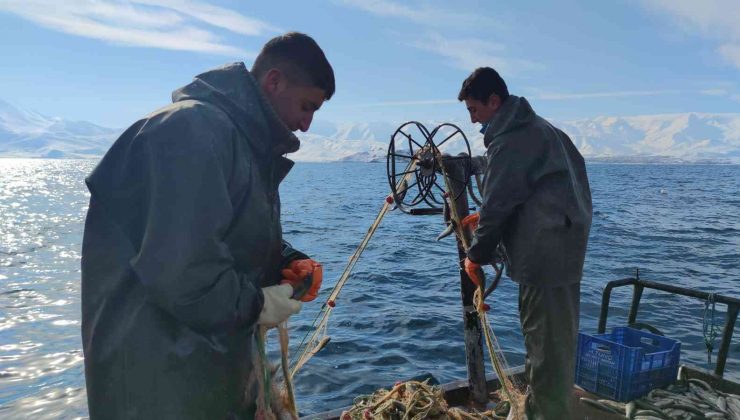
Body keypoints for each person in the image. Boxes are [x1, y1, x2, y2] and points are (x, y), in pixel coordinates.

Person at [80, 32, 334, 419]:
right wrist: (260, 304)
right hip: (160, 389)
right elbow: (184, 272)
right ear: (274, 81)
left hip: (204, 376)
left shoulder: (238, 144)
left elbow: (221, 236)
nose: (307, 124)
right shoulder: (189, 130)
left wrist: (286, 262)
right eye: (306, 106)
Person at [457, 67, 592, 420]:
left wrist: (476, 255)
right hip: (564, 253)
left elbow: (498, 204)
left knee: (545, 348)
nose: (473, 120)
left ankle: (546, 413)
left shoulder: (512, 140)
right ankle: (546, 407)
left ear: (494, 101)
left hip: (544, 259)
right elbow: (538, 191)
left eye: (474, 110)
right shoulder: (546, 130)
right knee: (554, 343)